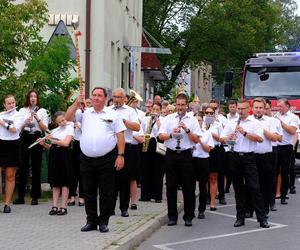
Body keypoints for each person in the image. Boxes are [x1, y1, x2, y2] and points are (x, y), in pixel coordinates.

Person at [65, 87, 125, 233]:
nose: (96, 98)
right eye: (94, 95)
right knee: (88, 191)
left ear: (105, 98)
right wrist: (75, 103)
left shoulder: (112, 114)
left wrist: (121, 155)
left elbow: (120, 135)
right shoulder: (84, 113)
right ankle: (91, 221)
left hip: (107, 158)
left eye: (99, 95)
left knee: (106, 192)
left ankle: (103, 221)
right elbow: (67, 118)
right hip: (87, 159)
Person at [220, 99, 270, 228]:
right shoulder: (232, 123)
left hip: (249, 158)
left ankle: (262, 218)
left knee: (255, 187)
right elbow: (221, 138)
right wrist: (228, 138)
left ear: (249, 109)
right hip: (235, 156)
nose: (240, 111)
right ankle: (240, 218)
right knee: (238, 189)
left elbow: (259, 139)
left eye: (243, 109)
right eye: (239, 109)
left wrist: (245, 133)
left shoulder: (254, 123)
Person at [159, 93, 201, 227]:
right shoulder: (168, 118)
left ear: (187, 105)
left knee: (188, 186)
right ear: (175, 104)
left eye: (183, 105)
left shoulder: (192, 119)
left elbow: (196, 140)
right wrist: (172, 134)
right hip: (171, 154)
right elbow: (161, 136)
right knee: (170, 186)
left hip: (185, 155)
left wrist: (187, 130)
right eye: (178, 104)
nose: (180, 107)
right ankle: (172, 216)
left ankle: (188, 216)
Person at [108, 88, 140, 218]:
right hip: (111, 147)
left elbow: (137, 127)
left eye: (118, 97)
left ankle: (124, 208)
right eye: (114, 97)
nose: (116, 99)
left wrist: (124, 121)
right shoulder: (108, 110)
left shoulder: (130, 111)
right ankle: (110, 208)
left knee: (125, 180)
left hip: (127, 147)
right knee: (110, 179)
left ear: (124, 98)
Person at [14, 90, 49, 206]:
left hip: (36, 137)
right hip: (24, 137)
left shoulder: (43, 111)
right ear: (28, 98)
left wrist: (37, 118)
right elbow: (18, 127)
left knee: (36, 166)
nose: (33, 98)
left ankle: (35, 196)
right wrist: (25, 122)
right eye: (31, 96)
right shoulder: (22, 110)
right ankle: (21, 196)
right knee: (23, 166)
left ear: (37, 98)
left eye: (35, 96)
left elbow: (45, 129)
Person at [40, 111, 74, 216]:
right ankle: (54, 206)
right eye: (59, 122)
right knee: (55, 183)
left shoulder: (70, 128)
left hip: (65, 156)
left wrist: (53, 139)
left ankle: (63, 207)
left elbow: (65, 143)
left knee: (64, 182)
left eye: (63, 120)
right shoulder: (54, 130)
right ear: (56, 123)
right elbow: (52, 147)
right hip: (55, 157)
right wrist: (44, 143)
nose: (62, 123)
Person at [251, 98, 278, 216]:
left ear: (264, 109)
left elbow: (275, 138)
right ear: (252, 109)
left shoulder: (270, 121)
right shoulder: (248, 120)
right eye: (256, 108)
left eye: (260, 108)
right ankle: (249, 209)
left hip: (266, 156)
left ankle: (264, 210)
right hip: (250, 157)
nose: (258, 110)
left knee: (265, 185)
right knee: (251, 185)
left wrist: (262, 129)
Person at [0, 95, 24, 213]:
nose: (11, 105)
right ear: (4, 105)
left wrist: (2, 123)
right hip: (1, 143)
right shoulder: (1, 114)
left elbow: (14, 129)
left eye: (13, 103)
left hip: (13, 145)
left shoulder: (19, 115)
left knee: (10, 176)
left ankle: (7, 203)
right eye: (8, 103)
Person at [140, 103, 165, 203]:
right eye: (153, 109)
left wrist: (157, 119)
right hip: (147, 143)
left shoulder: (163, 119)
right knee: (146, 170)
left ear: (160, 110)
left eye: (157, 109)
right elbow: (141, 130)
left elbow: (162, 131)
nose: (155, 111)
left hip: (158, 144)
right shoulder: (146, 119)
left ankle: (157, 196)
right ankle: (145, 195)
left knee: (158, 171)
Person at [276, 98, 299, 205]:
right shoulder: (275, 115)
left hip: (286, 147)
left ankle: (284, 195)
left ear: (287, 106)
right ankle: (274, 194)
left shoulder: (293, 117)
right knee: (274, 172)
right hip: (275, 146)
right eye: (278, 106)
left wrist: (281, 123)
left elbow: (292, 131)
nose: (278, 108)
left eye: (280, 106)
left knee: (285, 172)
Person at [192, 112, 214, 219]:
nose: (197, 122)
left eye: (199, 120)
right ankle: (190, 210)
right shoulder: (189, 133)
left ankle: (201, 210)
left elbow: (208, 149)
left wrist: (199, 140)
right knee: (190, 186)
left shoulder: (207, 133)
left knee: (202, 186)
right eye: (195, 120)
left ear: (202, 121)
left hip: (203, 160)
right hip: (191, 160)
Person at [203, 106, 224, 209]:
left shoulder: (218, 124)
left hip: (215, 150)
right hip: (204, 150)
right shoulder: (201, 123)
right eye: (207, 112)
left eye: (211, 113)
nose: (209, 114)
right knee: (204, 176)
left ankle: (212, 202)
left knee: (213, 177)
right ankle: (205, 197)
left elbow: (222, 139)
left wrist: (212, 134)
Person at [265, 99, 282, 211]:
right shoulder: (254, 120)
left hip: (272, 149)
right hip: (258, 151)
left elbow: (280, 138)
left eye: (266, 108)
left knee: (271, 176)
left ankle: (271, 201)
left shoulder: (275, 121)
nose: (265, 111)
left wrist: (270, 135)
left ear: (270, 108)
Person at [68, 103, 85, 207]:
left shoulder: (86, 117)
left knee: (82, 172)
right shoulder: (71, 121)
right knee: (72, 172)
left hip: (83, 143)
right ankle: (72, 196)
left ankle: (82, 197)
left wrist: (81, 127)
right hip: (73, 144)